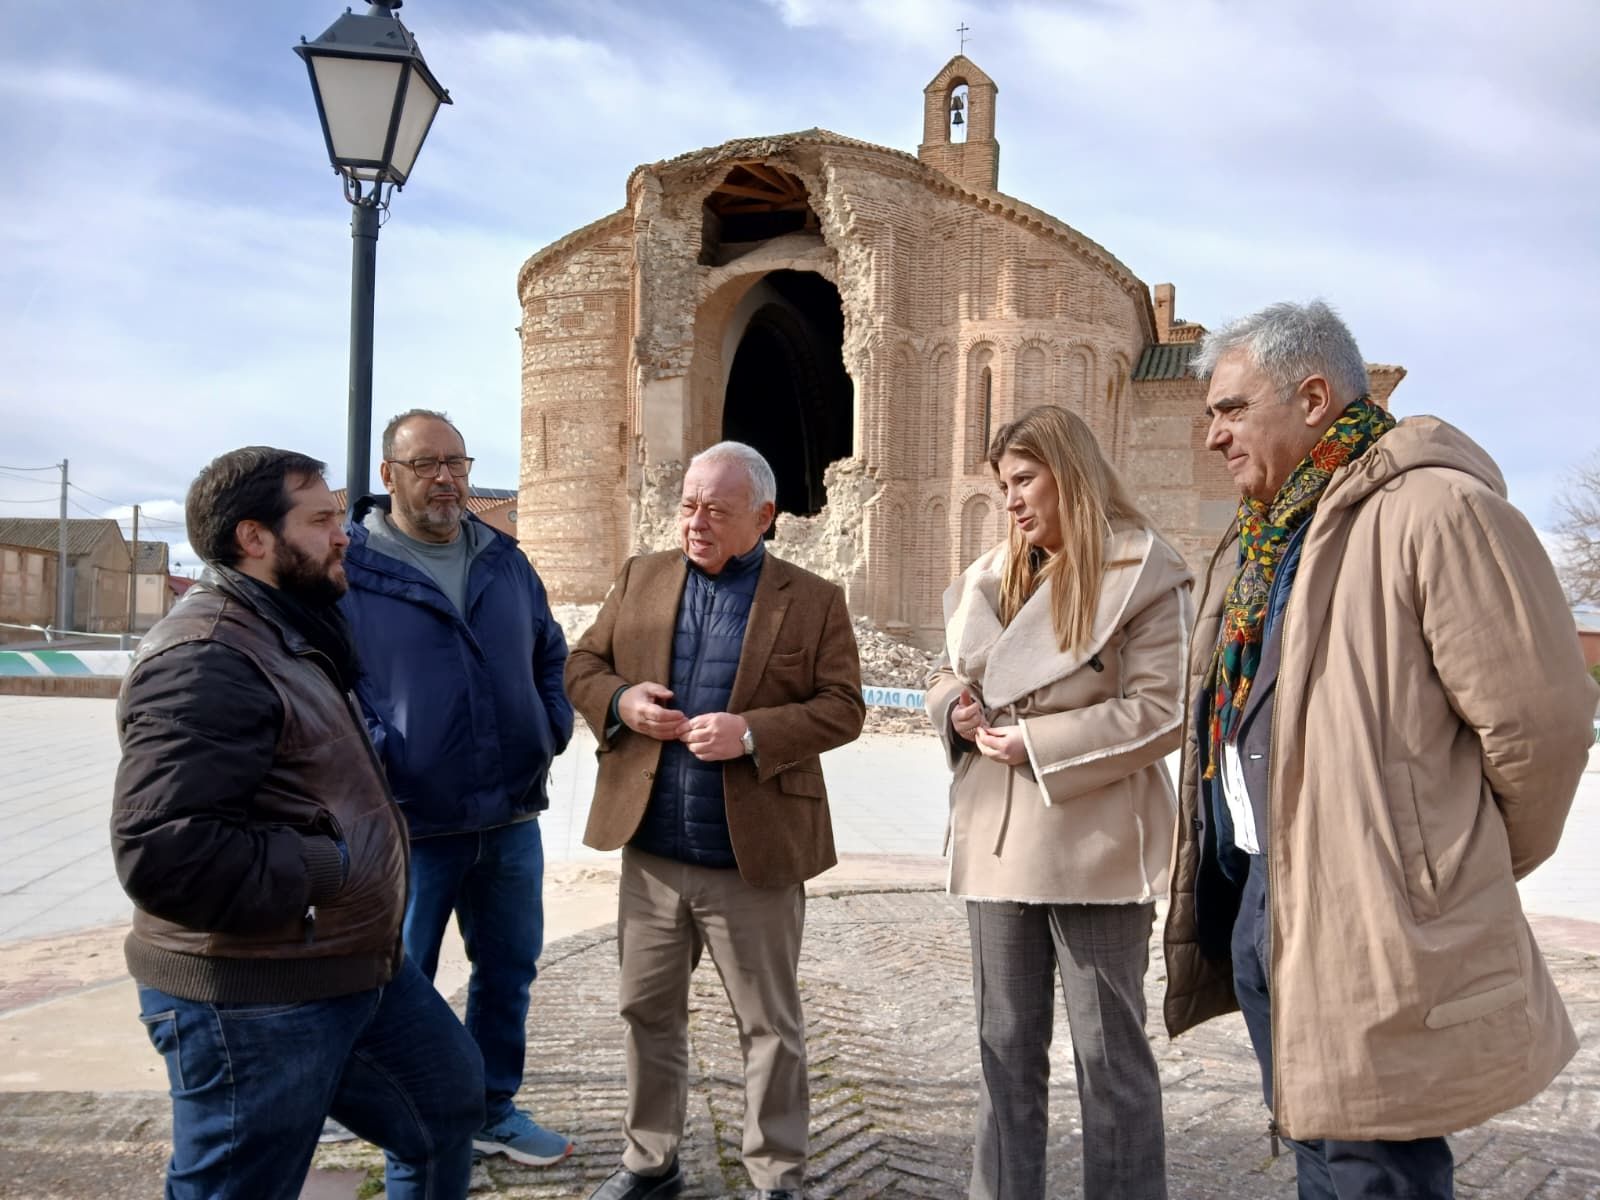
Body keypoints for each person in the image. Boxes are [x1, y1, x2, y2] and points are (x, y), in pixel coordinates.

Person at [1163, 300, 1598, 1198]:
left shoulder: (1437, 511)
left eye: (1232, 409)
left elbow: (1543, 728)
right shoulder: (1264, 538)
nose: (1213, 435)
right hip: (1265, 898)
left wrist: (1436, 870)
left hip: (1371, 910)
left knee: (1376, 1169)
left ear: (1313, 397)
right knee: (1319, 1148)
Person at [112, 446, 483, 1200]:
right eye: (318, 521)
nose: (343, 535)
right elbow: (163, 853)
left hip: (353, 964)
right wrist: (329, 866)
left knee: (444, 1107)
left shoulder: (288, 625)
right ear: (254, 538)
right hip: (253, 995)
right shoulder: (206, 657)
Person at [566, 441, 866, 1200]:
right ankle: (649, 1163)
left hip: (752, 859)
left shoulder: (814, 598)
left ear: (763, 518)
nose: (695, 522)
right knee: (646, 1011)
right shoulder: (640, 576)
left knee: (769, 1026)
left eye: (716, 510)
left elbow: (844, 708)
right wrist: (623, 701)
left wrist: (752, 733)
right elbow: (582, 665)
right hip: (652, 850)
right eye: (689, 506)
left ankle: (775, 1177)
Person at [925, 405, 1191, 1200]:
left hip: (1094, 848)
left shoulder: (1141, 570)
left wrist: (1039, 744)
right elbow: (948, 673)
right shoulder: (990, 576)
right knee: (1003, 1050)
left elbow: (1164, 710)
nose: (1010, 500)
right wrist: (952, 710)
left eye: (1023, 479)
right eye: (1002, 484)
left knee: (1109, 1061)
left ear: (1068, 474)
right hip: (998, 839)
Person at [339, 408, 575, 1166]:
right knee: (398, 982)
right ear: (388, 475)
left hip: (510, 815)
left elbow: (549, 651)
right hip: (411, 823)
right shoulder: (350, 569)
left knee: (508, 972)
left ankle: (491, 1109)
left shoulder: (504, 559)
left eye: (456, 463)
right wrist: (382, 755)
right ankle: (401, 1118)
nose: (445, 479)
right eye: (425, 464)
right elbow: (325, 682)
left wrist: (549, 726)